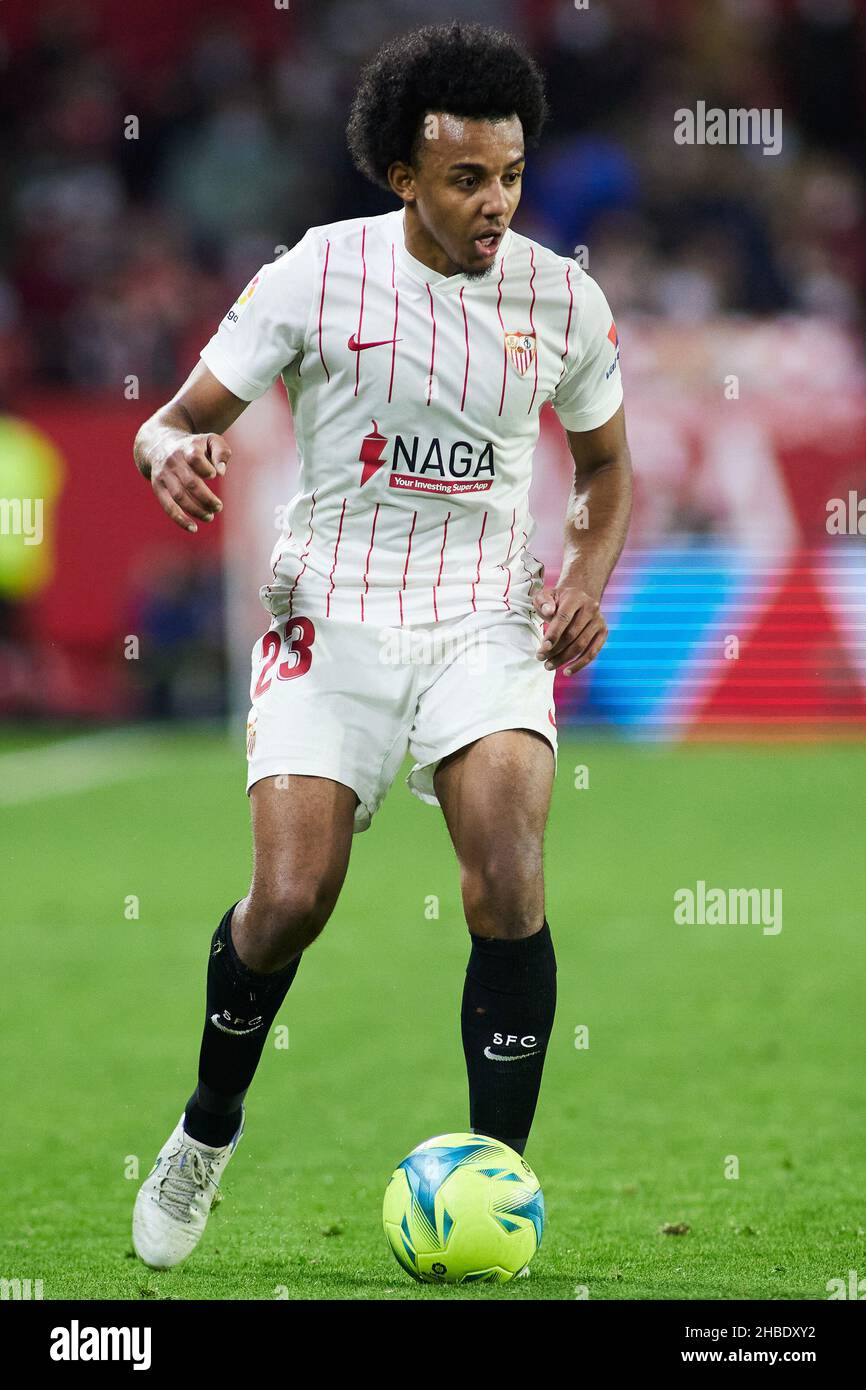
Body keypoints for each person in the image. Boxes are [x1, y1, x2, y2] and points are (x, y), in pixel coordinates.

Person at [131, 21, 632, 1270]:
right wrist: (171, 453)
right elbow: (169, 422)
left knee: (506, 874)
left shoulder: (559, 297)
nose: (495, 203)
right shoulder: (314, 273)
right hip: (331, 612)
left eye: (510, 174)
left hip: (482, 618)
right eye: (467, 178)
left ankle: (496, 1179)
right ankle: (205, 1128)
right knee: (291, 899)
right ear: (402, 176)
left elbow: (608, 466)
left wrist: (579, 573)